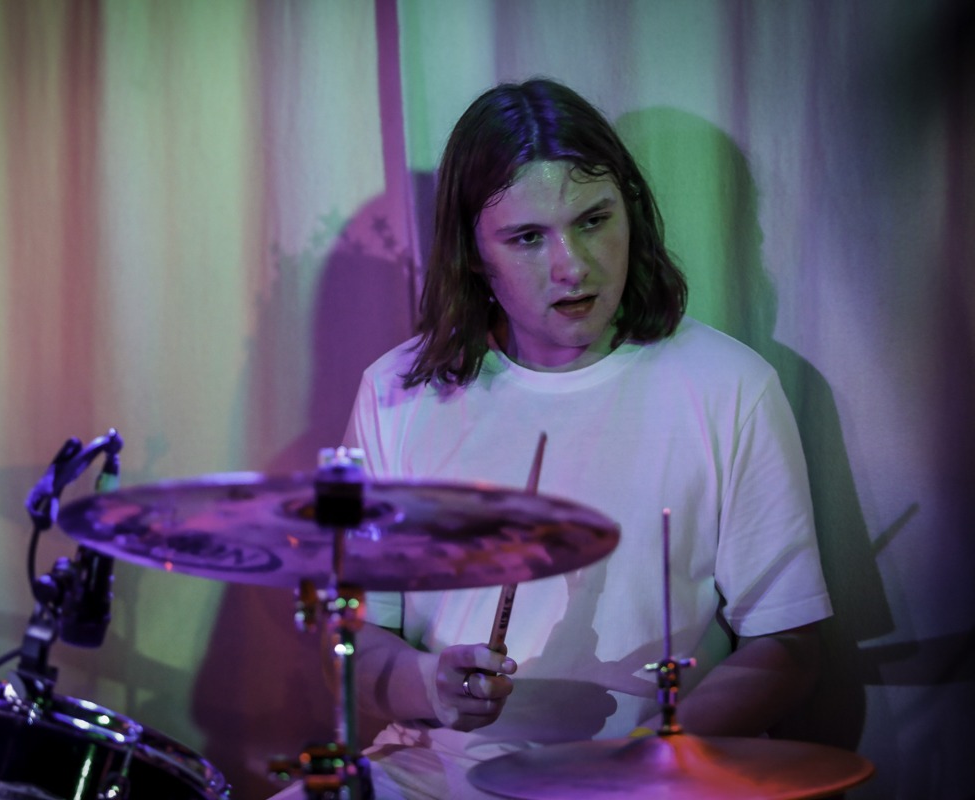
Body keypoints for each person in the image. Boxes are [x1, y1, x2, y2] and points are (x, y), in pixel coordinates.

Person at [272, 78, 831, 799]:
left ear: (631, 210)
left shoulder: (730, 385)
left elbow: (787, 645)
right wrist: (429, 683)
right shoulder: (395, 392)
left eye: (593, 220)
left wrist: (651, 755)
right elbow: (349, 640)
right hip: (436, 771)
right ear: (474, 253)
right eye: (529, 238)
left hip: (652, 781)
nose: (573, 266)